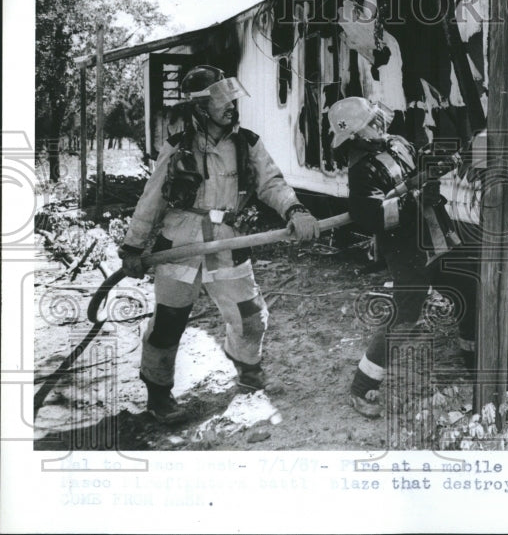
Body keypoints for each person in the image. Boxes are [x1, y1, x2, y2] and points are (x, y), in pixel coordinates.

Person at [118, 65, 320, 424]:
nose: (230, 105)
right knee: (168, 323)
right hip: (180, 241)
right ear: (200, 107)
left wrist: (296, 209)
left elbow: (272, 184)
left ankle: (247, 369)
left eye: (230, 97)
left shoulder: (248, 143)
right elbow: (151, 200)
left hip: (228, 239)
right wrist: (133, 247)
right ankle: (158, 393)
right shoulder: (178, 148)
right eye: (220, 99)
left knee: (250, 316)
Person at [328, 96, 475, 418]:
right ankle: (363, 385)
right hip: (407, 250)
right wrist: (417, 198)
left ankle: (473, 357)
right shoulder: (361, 169)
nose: (379, 123)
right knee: (405, 317)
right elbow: (372, 216)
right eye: (369, 122)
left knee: (467, 287)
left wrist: (437, 162)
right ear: (355, 135)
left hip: (437, 235)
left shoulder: (396, 143)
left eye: (376, 116)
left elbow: (414, 166)